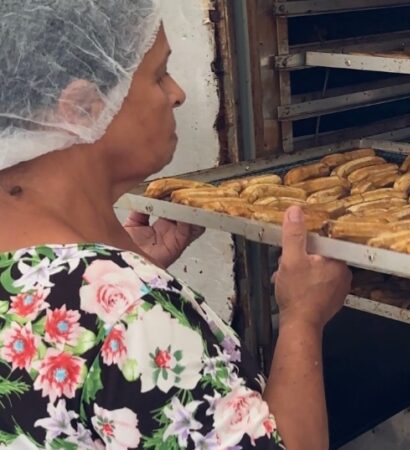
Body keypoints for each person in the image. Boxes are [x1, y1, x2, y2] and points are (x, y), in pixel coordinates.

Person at [0, 1, 351, 449]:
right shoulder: (130, 316)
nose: (178, 92)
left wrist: (124, 264)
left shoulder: (55, 278)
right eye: (159, 74)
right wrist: (303, 317)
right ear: (82, 108)